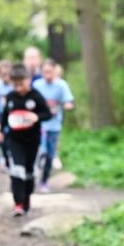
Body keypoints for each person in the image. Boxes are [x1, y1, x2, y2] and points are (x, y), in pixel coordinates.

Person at [0, 65, 52, 216]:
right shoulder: (10, 97)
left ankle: (27, 199)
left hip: (32, 141)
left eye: (21, 84)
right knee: (17, 170)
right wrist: (0, 130)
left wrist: (37, 117)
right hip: (15, 140)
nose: (18, 88)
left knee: (29, 173)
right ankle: (18, 204)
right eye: (15, 85)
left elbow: (47, 114)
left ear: (28, 80)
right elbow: (5, 117)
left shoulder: (36, 96)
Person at [32, 59, 74, 193]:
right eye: (44, 72)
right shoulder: (37, 85)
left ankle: (44, 181)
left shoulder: (61, 85)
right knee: (42, 151)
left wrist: (67, 105)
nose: (47, 75)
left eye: (50, 72)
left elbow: (68, 100)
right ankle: (34, 171)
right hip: (40, 124)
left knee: (50, 156)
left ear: (55, 71)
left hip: (55, 125)